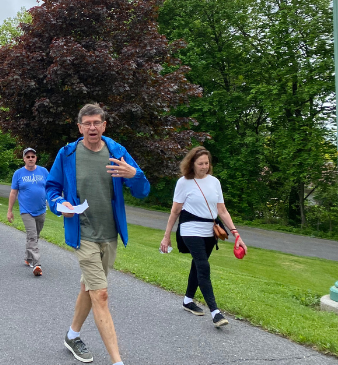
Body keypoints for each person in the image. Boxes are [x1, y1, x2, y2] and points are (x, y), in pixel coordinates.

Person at [46, 103, 150, 365]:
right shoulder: (67, 154)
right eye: (87, 123)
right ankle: (118, 361)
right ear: (79, 127)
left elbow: (142, 190)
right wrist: (60, 205)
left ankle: (72, 336)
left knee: (88, 288)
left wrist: (134, 174)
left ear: (104, 125)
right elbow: (52, 188)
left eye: (97, 123)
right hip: (83, 233)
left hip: (110, 233)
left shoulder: (117, 152)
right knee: (100, 294)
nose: (92, 128)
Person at [160, 146, 247, 328]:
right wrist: (166, 236)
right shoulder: (184, 183)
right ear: (191, 164)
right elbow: (175, 211)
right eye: (200, 163)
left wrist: (236, 233)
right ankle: (215, 312)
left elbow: (222, 210)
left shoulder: (214, 182)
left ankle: (187, 300)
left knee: (197, 265)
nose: (204, 166)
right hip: (190, 228)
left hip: (210, 230)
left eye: (207, 163)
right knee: (203, 266)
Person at [7, 148, 49, 276]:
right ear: (24, 159)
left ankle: (28, 257)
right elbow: (13, 192)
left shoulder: (43, 171)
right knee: (32, 236)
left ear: (36, 158)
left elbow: (50, 188)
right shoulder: (18, 173)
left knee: (35, 235)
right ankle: (37, 265)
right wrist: (10, 210)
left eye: (33, 156)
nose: (30, 158)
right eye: (28, 156)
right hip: (26, 210)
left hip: (41, 209)